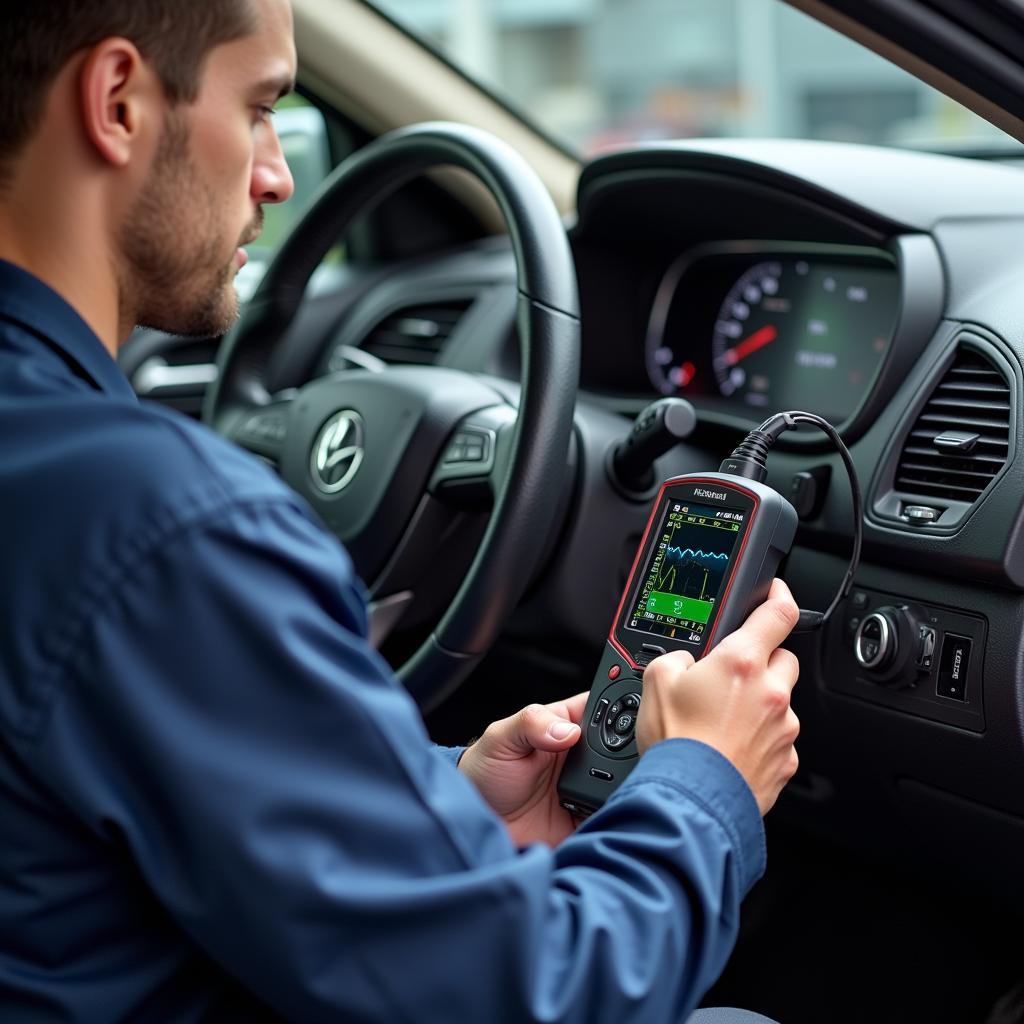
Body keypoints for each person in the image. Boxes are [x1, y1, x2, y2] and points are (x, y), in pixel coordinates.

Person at [0, 1, 800, 1021]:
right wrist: (705, 778)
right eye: (257, 108)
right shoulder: (165, 527)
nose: (276, 174)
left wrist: (423, 796)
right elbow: (536, 993)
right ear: (116, 102)